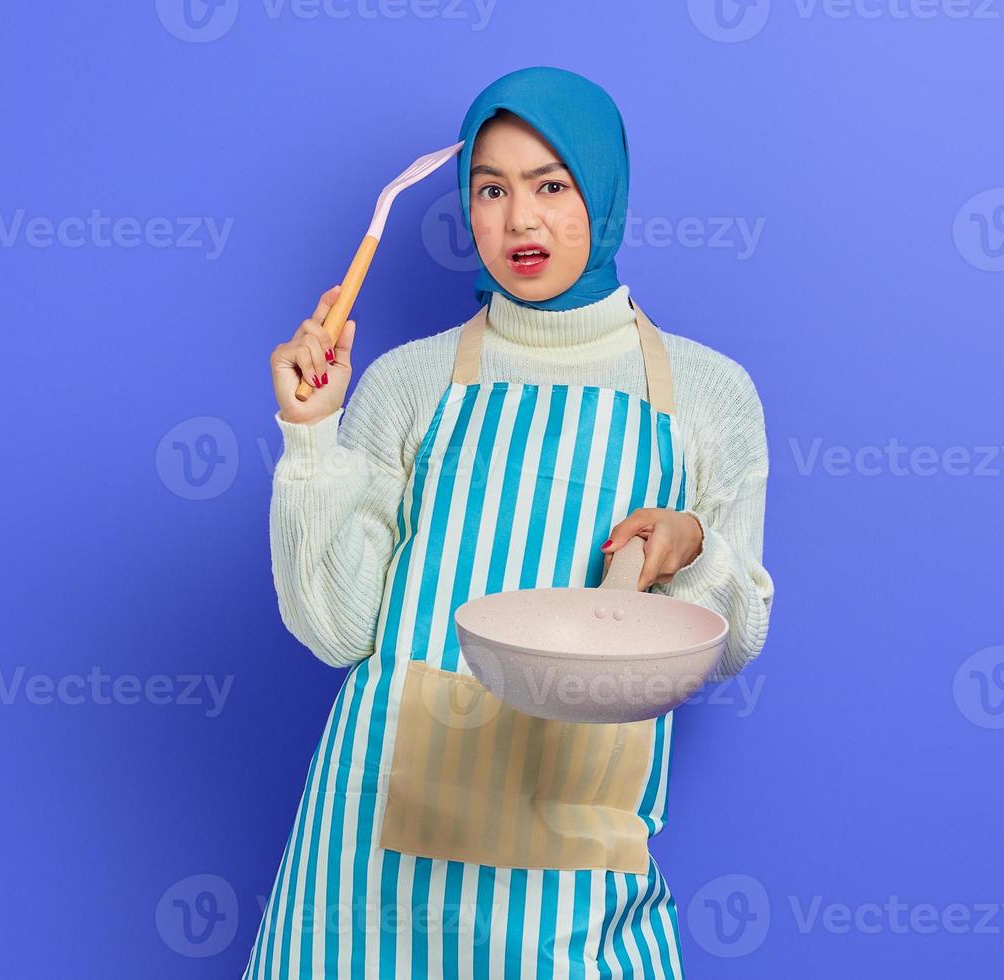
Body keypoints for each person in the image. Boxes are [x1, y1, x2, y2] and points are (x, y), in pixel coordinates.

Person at [245, 65, 774, 980]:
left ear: (603, 190)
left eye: (552, 186)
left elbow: (737, 640)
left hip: (570, 824)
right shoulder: (410, 381)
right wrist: (309, 438)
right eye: (491, 189)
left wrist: (691, 549)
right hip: (371, 854)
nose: (519, 220)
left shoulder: (706, 392)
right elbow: (336, 630)